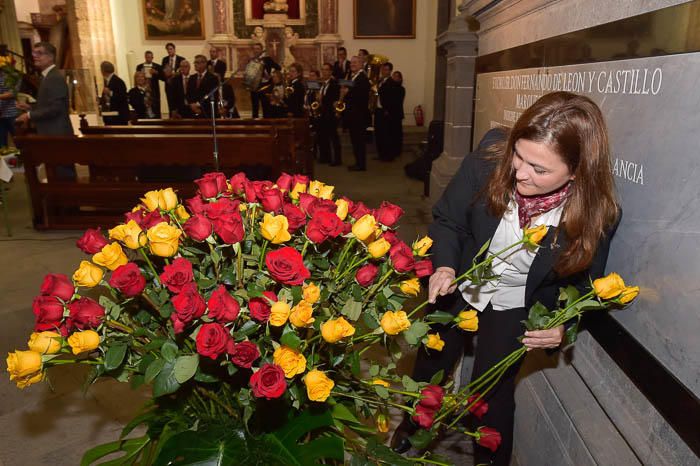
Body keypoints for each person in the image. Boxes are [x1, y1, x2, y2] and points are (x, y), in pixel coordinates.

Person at [391, 92, 621, 466]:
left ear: (577, 171)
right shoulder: (486, 163)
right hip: (461, 280)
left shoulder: (598, 213)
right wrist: (445, 266)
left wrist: (564, 325)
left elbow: (585, 285)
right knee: (430, 363)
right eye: (519, 155)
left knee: (492, 394)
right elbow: (448, 220)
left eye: (540, 169)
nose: (520, 172)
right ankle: (412, 427)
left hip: (516, 302)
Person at [15, 42, 74, 178]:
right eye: (34, 53)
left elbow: (56, 109)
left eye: (39, 53)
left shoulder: (54, 77)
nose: (35, 56)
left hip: (57, 134)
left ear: (51, 57)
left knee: (63, 174)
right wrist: (30, 107)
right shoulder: (47, 77)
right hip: (51, 133)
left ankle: (69, 198)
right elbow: (49, 105)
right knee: (56, 172)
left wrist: (29, 115)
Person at [343, 56, 370, 171]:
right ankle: (358, 163)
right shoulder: (353, 77)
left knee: (359, 142)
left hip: (358, 115)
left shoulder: (362, 77)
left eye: (355, 62)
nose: (352, 64)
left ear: (361, 64)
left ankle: (361, 165)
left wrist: (347, 92)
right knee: (355, 141)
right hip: (353, 115)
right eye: (351, 63)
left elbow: (361, 96)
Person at [373, 62, 401, 161]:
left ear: (390, 71)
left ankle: (388, 156)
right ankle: (381, 154)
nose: (383, 71)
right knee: (378, 134)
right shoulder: (380, 81)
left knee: (387, 135)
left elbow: (393, 99)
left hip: (385, 112)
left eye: (386, 70)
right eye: (382, 69)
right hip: (378, 110)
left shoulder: (391, 82)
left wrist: (387, 110)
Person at [317, 63, 341, 166]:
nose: (324, 72)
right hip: (323, 113)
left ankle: (337, 159)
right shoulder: (323, 84)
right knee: (324, 136)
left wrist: (322, 98)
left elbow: (334, 98)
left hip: (331, 113)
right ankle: (325, 157)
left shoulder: (334, 84)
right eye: (323, 70)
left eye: (326, 70)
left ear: (330, 71)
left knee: (333, 137)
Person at [249, 43, 281, 118]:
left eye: (258, 49)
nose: (256, 50)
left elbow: (278, 67)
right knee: (255, 108)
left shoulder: (267, 59)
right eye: (254, 49)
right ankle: (255, 126)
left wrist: (271, 75)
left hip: (265, 87)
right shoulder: (251, 60)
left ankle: (266, 126)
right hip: (254, 87)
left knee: (266, 107)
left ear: (261, 50)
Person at [136, 50, 162, 118]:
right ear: (145, 57)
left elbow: (163, 78)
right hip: (142, 89)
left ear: (153, 57)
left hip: (154, 90)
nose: (149, 59)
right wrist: (141, 74)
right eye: (147, 57)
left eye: (150, 57)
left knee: (155, 108)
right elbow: (136, 77)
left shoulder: (157, 66)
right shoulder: (140, 66)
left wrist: (156, 73)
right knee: (144, 107)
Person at [0, 63, 18, 148]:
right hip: (1, 115)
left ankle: (24, 160)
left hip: (11, 113)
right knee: (2, 145)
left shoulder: (13, 76)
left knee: (19, 140)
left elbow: (12, 93)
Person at [389, 70, 405, 159]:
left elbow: (397, 101)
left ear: (400, 79)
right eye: (393, 76)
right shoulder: (390, 87)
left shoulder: (401, 89)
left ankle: (397, 150)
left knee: (397, 133)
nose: (394, 78)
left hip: (397, 114)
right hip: (391, 114)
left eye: (396, 76)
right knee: (391, 133)